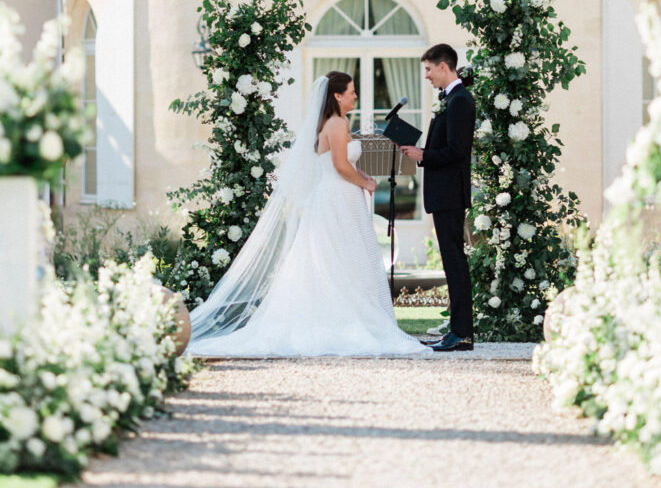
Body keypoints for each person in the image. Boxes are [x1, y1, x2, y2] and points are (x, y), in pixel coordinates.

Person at [187, 71, 431, 358]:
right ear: (337, 95)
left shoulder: (333, 123)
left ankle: (343, 314)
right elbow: (340, 165)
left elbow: (338, 161)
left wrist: (364, 174)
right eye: (351, 91)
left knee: (338, 259)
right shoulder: (337, 123)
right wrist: (365, 182)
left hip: (335, 195)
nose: (355, 95)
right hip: (338, 197)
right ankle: (345, 319)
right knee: (341, 257)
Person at [401, 44, 476, 352]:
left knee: (455, 263)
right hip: (442, 193)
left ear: (444, 67)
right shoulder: (450, 99)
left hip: (449, 194)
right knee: (451, 262)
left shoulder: (460, 101)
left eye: (429, 69)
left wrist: (423, 155)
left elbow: (458, 151)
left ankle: (461, 333)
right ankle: (458, 331)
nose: (427, 76)